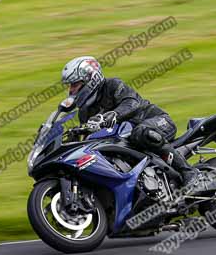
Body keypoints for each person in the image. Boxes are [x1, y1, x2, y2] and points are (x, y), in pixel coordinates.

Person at [61, 56, 200, 186]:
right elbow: (90, 137)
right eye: (70, 86)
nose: (71, 90)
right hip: (128, 141)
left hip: (157, 121)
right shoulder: (85, 111)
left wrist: (113, 114)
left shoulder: (113, 85)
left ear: (90, 79)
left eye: (75, 84)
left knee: (141, 132)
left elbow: (132, 103)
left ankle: (189, 172)